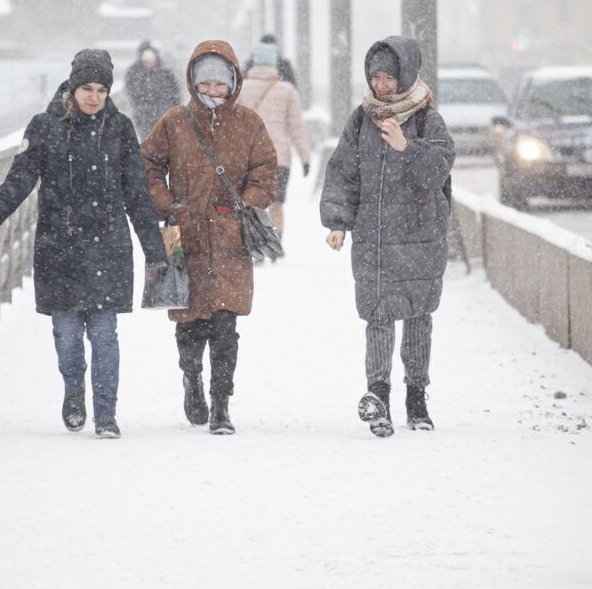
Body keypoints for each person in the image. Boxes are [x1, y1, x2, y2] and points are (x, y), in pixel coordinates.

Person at [0, 48, 167, 439]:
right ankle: (74, 391)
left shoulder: (121, 128)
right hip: (61, 247)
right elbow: (20, 179)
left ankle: (106, 414)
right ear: (73, 88)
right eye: (87, 88)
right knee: (68, 335)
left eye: (102, 90)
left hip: (109, 246)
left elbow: (137, 194)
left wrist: (154, 250)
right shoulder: (45, 127)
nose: (94, 97)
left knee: (105, 335)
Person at [319, 35, 455, 438]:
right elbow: (343, 172)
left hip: (419, 238)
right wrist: (338, 223)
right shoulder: (361, 118)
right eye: (375, 77)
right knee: (377, 315)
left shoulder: (429, 120)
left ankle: (417, 397)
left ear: (406, 76)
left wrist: (405, 147)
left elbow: (438, 170)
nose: (381, 85)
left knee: (416, 316)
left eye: (389, 77)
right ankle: (377, 394)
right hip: (374, 239)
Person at [140, 40, 277, 435]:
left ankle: (221, 404)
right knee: (187, 323)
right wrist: (168, 206)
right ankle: (192, 381)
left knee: (225, 325)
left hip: (231, 238)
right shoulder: (174, 121)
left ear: (233, 82)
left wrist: (242, 205)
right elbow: (146, 165)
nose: (213, 93)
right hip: (181, 236)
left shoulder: (249, 123)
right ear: (193, 83)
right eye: (206, 85)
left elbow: (265, 172)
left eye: (220, 85)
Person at [237, 38, 312, 250]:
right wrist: (305, 158)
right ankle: (275, 243)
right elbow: (297, 127)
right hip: (279, 157)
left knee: (251, 202)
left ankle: (256, 242)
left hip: (249, 157)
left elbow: (231, 125)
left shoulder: (241, 89)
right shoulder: (287, 90)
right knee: (277, 203)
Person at [124, 39, 182, 141]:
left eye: (151, 59)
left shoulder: (165, 72)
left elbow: (175, 92)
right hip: (144, 117)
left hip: (163, 116)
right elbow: (131, 92)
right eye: (146, 60)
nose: (149, 63)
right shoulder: (134, 72)